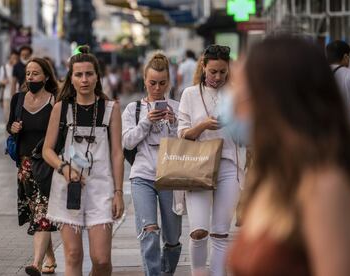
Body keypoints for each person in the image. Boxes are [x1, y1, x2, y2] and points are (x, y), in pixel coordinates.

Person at [227, 35, 350, 276]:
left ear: (276, 100)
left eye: (242, 94)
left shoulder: (325, 187)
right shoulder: (270, 176)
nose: (230, 106)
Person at [43, 45, 124, 276]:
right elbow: (48, 150)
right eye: (78, 74)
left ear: (98, 76)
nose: (84, 79)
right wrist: (63, 167)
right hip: (68, 188)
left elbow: (117, 152)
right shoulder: (62, 108)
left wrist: (118, 192)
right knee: (73, 255)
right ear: (71, 77)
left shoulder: (110, 109)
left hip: (101, 188)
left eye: (89, 74)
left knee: (101, 259)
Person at [177, 45, 241, 276]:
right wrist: (204, 124)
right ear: (203, 66)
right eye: (213, 71)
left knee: (221, 232)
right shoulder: (190, 94)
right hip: (198, 165)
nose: (217, 77)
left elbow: (246, 137)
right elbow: (182, 134)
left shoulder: (235, 93)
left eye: (223, 72)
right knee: (198, 231)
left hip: (228, 165)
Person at [122, 52, 182, 276]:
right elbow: (127, 141)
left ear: (169, 81)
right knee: (149, 231)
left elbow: (186, 143)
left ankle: (166, 272)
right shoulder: (133, 109)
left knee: (173, 237)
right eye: (152, 83)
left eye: (162, 83)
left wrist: (174, 123)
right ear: (144, 80)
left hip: (171, 176)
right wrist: (146, 121)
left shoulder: (177, 106)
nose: (157, 88)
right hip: (142, 176)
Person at [7, 57, 58, 276]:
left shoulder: (55, 101)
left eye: (35, 73)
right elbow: (10, 126)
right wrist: (13, 128)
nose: (30, 77)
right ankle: (51, 258)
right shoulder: (18, 99)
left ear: (46, 76)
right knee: (36, 213)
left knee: (42, 212)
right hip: (26, 166)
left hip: (47, 165)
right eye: (28, 73)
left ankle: (35, 263)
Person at [0, 51, 19, 123]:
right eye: (13, 58)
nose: (14, 59)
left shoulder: (18, 68)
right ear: (10, 58)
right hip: (7, 95)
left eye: (16, 58)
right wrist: (5, 81)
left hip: (17, 94)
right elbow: (0, 81)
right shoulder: (4, 67)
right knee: (7, 117)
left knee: (17, 117)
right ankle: (7, 134)